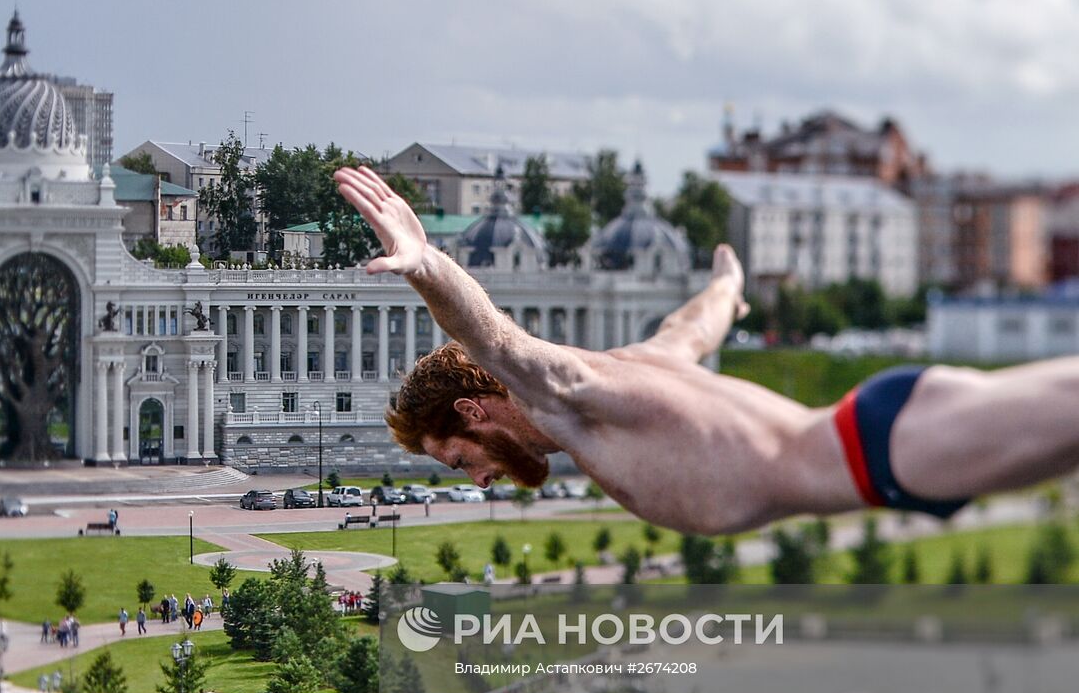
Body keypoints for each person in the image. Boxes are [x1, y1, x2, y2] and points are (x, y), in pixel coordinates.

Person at [334, 165, 1079, 537]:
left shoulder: (572, 396)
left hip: (879, 446)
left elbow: (493, 338)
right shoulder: (635, 372)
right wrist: (728, 286)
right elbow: (692, 331)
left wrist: (426, 265)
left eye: (464, 460)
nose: (481, 480)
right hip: (886, 449)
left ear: (476, 408)